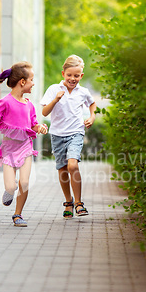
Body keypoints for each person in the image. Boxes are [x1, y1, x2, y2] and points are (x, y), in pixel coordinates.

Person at [0, 62, 48, 227]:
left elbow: (33, 125)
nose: (33, 83)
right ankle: (9, 192)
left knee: (24, 183)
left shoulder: (29, 105)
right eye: (32, 80)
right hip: (9, 150)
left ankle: (18, 214)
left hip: (25, 147)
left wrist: (40, 127)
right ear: (22, 82)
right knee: (11, 187)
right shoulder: (6, 102)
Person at [40, 55, 97, 219]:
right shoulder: (53, 89)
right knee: (63, 169)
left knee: (73, 165)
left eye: (76, 75)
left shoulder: (83, 91)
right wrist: (55, 100)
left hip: (76, 133)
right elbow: (44, 112)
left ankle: (79, 202)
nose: (73, 79)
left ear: (81, 76)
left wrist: (92, 117)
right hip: (57, 134)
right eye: (69, 75)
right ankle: (68, 201)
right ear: (63, 73)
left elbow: (92, 103)